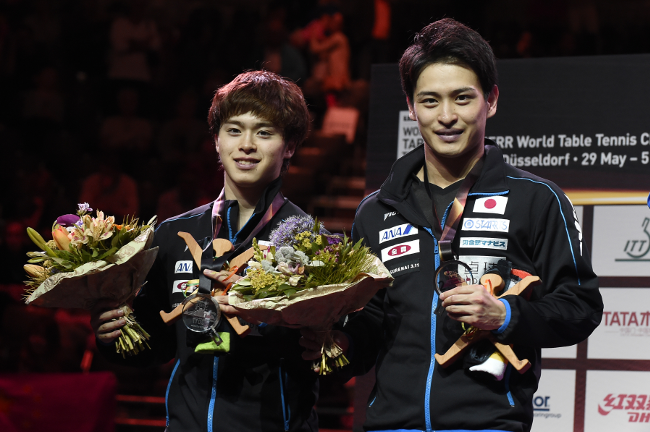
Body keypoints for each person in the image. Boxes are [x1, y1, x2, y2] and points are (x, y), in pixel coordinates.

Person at [301, 18, 603, 432]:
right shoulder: (375, 211)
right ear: (410, 106)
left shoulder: (537, 199)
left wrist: (505, 314)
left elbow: (580, 307)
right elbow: (370, 323)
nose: (446, 116)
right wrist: (339, 345)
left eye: (462, 98)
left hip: (488, 424)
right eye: (430, 101)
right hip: (391, 425)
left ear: (491, 100)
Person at [91, 70, 319, 431]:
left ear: (289, 145)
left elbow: (321, 356)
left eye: (264, 132)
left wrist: (261, 314)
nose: (246, 144)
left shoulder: (308, 239)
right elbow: (157, 346)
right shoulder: (174, 234)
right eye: (234, 130)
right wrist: (113, 334)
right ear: (216, 141)